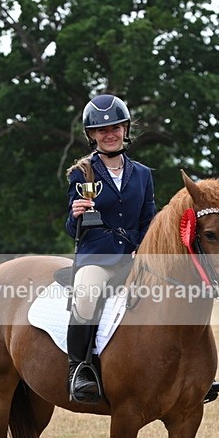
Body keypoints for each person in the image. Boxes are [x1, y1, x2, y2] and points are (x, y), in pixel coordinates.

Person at [65, 94, 156, 403]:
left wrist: (142, 247)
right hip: (98, 258)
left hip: (136, 258)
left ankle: (188, 370)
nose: (110, 134)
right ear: (91, 135)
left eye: (115, 128)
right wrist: (76, 214)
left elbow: (148, 220)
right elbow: (72, 228)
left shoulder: (143, 174)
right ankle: (78, 369)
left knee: (177, 293)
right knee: (86, 296)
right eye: (102, 130)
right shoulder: (82, 172)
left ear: (125, 129)